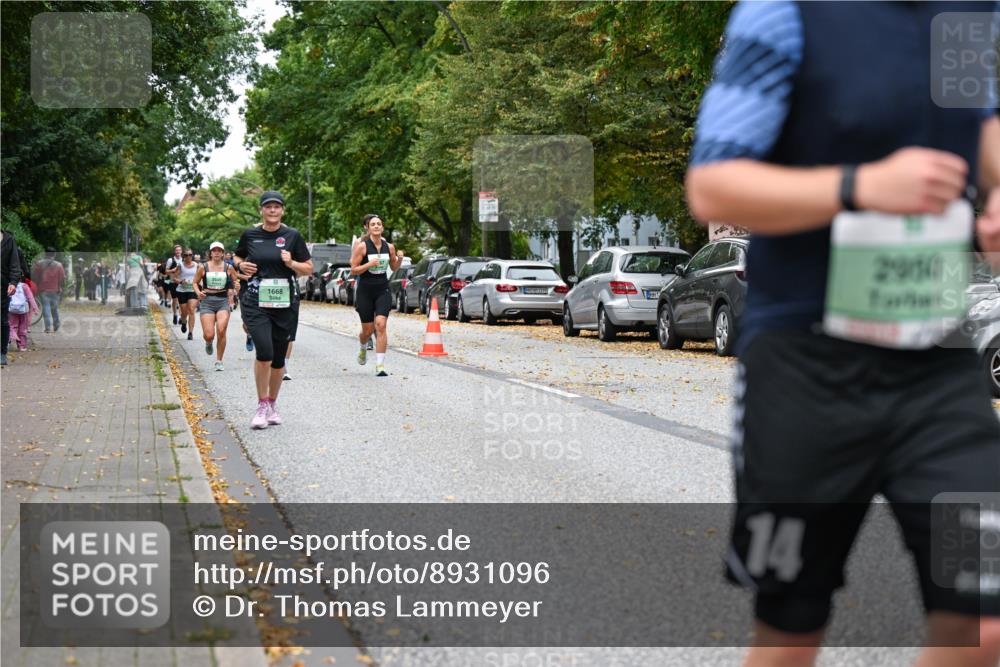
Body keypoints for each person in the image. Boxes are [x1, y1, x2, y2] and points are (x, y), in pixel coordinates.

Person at [685, 3, 1000, 666]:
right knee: (791, 633)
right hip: (807, 369)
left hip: (937, 371)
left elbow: (981, 132)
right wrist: (861, 185)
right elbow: (714, 187)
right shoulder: (785, 14)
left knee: (984, 617)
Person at [233, 191, 312, 429]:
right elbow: (237, 257)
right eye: (268, 207)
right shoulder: (250, 234)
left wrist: (291, 263)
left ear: (282, 211)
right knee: (264, 352)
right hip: (256, 301)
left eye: (277, 207)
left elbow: (308, 268)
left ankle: (272, 404)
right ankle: (260, 406)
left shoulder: (292, 236)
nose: (272, 210)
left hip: (284, 303)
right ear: (262, 210)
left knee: (278, 359)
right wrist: (240, 265)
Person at [350, 214, 404, 377]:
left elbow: (394, 268)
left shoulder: (390, 247)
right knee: (367, 331)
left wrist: (400, 259)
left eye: (379, 224)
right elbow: (354, 269)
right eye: (373, 224)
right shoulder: (362, 247)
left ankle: (380, 365)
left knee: (381, 325)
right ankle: (363, 347)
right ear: (368, 227)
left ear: (382, 227)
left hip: (382, 289)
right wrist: (369, 264)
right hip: (365, 290)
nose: (376, 226)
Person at [194, 241, 237, 371]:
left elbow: (235, 281)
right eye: (214, 251)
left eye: (219, 251)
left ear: (223, 253)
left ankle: (219, 361)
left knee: (221, 330)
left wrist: (236, 287)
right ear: (211, 253)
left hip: (222, 301)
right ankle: (209, 342)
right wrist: (198, 293)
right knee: (209, 334)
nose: (217, 253)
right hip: (207, 301)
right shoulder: (203, 267)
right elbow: (195, 282)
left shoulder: (228, 267)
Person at [0, 229, 22, 366]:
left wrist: (13, 283)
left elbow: (15, 264)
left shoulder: (8, 240)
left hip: (2, 287)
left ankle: (2, 352)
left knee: (2, 320)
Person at [33, 248, 65, 335]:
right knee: (55, 308)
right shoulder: (59, 265)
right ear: (54, 254)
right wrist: (60, 287)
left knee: (46, 307)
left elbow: (35, 277)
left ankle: (47, 327)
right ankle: (56, 324)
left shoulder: (39, 264)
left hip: (43, 289)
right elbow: (62, 278)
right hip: (55, 290)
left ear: (45, 254)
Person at [174, 249, 199, 340]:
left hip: (192, 290)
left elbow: (200, 277)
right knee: (184, 312)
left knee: (191, 310)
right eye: (186, 255)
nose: (188, 256)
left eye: (190, 255)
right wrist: (181, 281)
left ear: (192, 255)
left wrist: (200, 288)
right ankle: (184, 322)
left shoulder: (196, 265)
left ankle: (190, 332)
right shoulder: (180, 265)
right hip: (182, 291)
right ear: (183, 256)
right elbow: (174, 278)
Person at [8, 279, 38, 352]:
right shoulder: (24, 286)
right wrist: (35, 308)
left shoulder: (8, 286)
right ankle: (22, 346)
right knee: (23, 327)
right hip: (23, 310)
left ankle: (13, 336)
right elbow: (30, 297)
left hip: (12, 309)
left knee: (12, 326)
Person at [163, 244, 183, 324]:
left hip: (181, 282)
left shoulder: (183, 260)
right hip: (173, 282)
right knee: (175, 300)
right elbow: (166, 271)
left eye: (179, 250)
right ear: (174, 251)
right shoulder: (170, 260)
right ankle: (175, 314)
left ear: (181, 251)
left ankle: (181, 317)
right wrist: (173, 270)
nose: (178, 251)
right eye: (176, 250)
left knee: (181, 300)